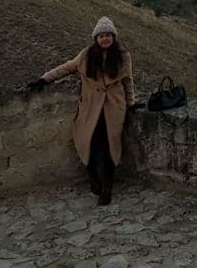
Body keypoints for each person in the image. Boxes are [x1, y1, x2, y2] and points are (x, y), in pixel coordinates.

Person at [27, 16, 138, 205]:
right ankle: (93, 177)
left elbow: (128, 81)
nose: (105, 39)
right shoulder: (86, 55)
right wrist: (44, 79)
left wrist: (131, 103)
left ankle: (107, 189)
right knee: (89, 143)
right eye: (101, 35)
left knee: (109, 147)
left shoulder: (123, 55)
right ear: (96, 38)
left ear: (113, 37)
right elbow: (67, 67)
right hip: (90, 107)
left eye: (108, 35)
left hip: (113, 108)